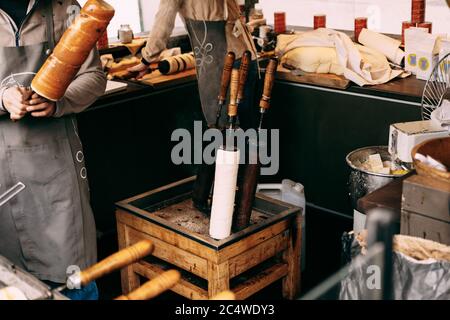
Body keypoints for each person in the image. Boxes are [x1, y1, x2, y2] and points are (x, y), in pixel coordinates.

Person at [0, 0, 106, 300]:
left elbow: (94, 76)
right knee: (11, 285)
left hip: (56, 171)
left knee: (74, 276)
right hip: (1, 174)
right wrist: (3, 97)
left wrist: (60, 100)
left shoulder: (64, 7)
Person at [130, 0, 259, 130]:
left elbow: (163, 21)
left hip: (222, 63)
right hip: (247, 55)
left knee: (227, 131)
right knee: (247, 127)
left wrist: (147, 59)